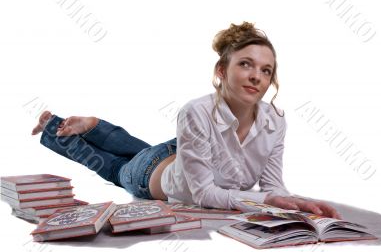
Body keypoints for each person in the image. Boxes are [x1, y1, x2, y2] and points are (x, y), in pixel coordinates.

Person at [32, 22, 340, 219]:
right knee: (116, 167)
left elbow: (273, 185)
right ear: (221, 70)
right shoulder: (195, 111)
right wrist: (267, 199)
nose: (256, 77)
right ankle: (54, 128)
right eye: (246, 64)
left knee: (140, 150)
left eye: (266, 70)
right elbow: (205, 195)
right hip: (151, 177)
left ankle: (95, 124)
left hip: (184, 155)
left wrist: (299, 202)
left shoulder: (275, 121)